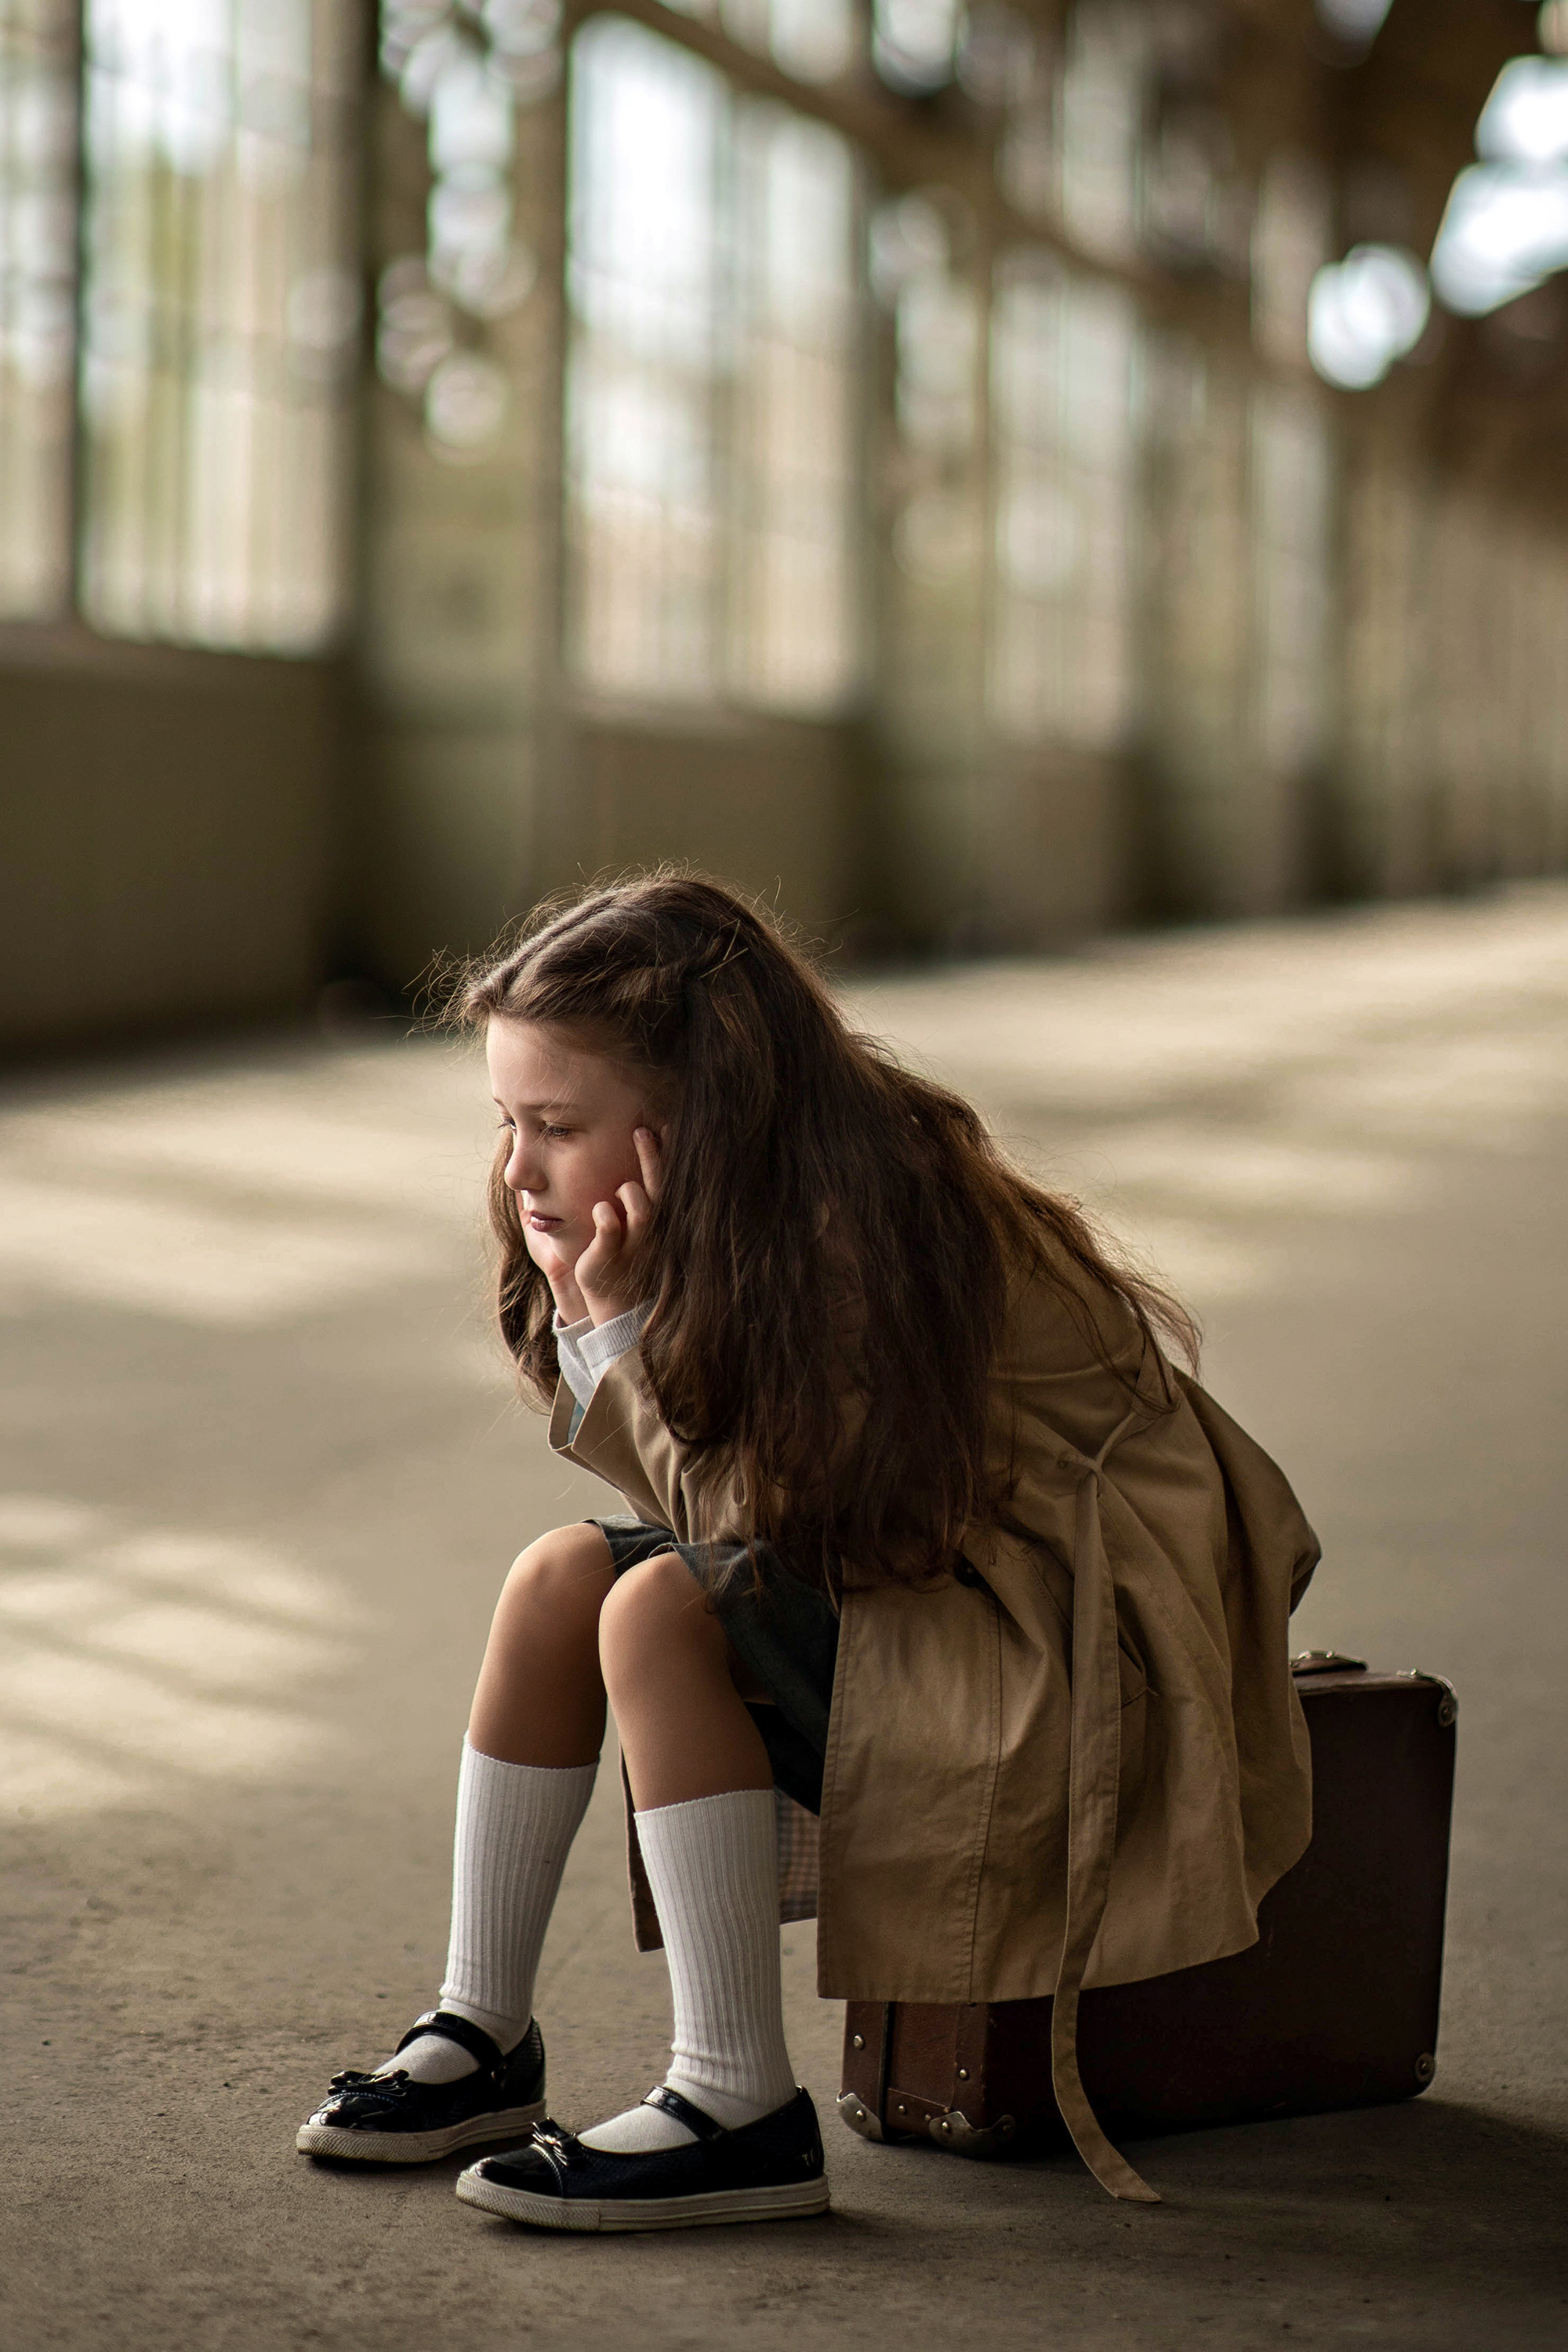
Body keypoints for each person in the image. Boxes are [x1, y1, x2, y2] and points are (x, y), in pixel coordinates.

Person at [296, 872, 1319, 2231]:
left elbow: (751, 1528)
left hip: (1065, 1648)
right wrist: (611, 1329)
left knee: (661, 1608)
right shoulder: (734, 1198)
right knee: (560, 1578)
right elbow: (757, 1510)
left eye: (557, 1125)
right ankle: (484, 2034)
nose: (517, 1168)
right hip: (929, 1578)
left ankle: (737, 2104)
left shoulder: (870, 1227)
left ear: (696, 1119)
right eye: (506, 1121)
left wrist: (613, 1341)